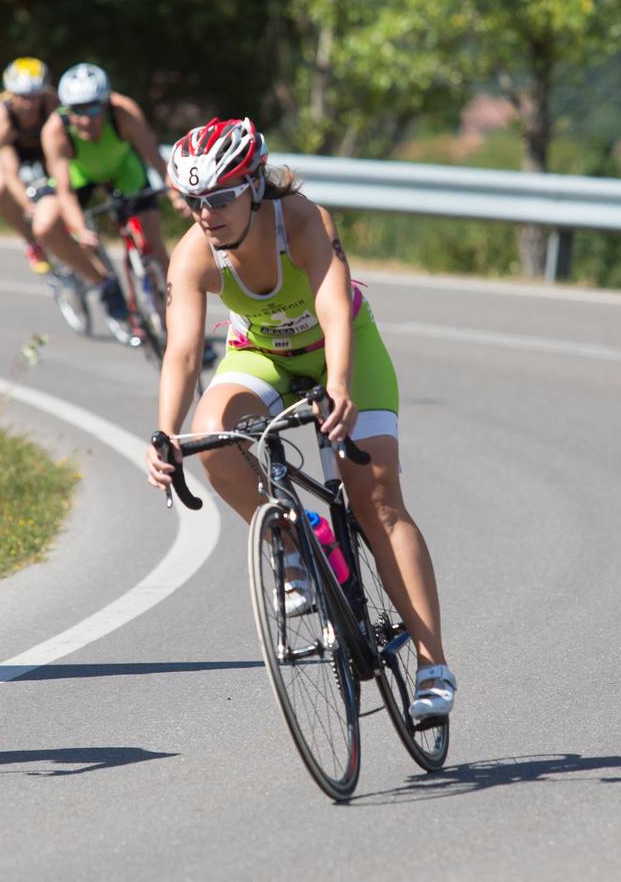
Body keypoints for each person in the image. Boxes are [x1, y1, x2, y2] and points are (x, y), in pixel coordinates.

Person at [143, 118, 455, 724]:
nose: (207, 215)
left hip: (341, 350)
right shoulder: (192, 254)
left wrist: (338, 387)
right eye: (195, 201)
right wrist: (165, 434)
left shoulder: (303, 221)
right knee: (214, 441)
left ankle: (432, 664)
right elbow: (182, 352)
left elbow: (335, 310)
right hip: (262, 354)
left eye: (221, 197)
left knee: (374, 495)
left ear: (255, 186)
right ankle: (295, 537)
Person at [37, 62, 191, 326]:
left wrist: (178, 194)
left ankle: (180, 315)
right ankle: (103, 283)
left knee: (152, 238)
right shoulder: (54, 130)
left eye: (94, 108)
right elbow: (64, 190)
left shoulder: (124, 112)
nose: (86, 119)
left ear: (106, 103)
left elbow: (155, 158)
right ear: (65, 108)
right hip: (79, 176)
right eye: (77, 110)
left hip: (123, 169)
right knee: (45, 225)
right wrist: (78, 229)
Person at [0, 57, 59, 275]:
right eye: (23, 97)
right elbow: (9, 171)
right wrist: (28, 206)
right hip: (12, 151)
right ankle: (31, 243)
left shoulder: (51, 102)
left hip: (45, 145)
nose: (30, 104)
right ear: (11, 93)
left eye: (35, 97)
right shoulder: (1, 114)